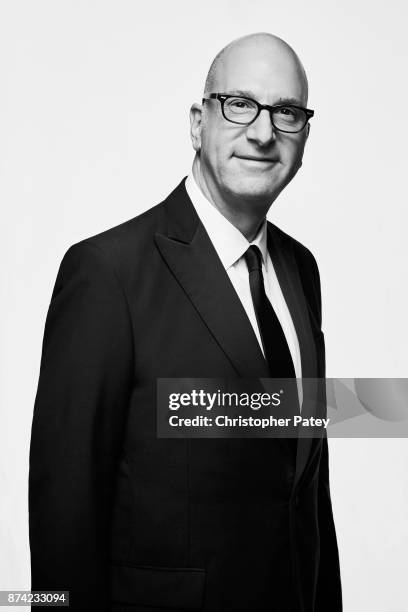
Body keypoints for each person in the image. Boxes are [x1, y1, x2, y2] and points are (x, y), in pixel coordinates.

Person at [29, 32, 342, 611]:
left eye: (287, 112)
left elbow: (304, 490)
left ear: (305, 135)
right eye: (240, 104)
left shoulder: (302, 272)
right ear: (199, 123)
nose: (263, 132)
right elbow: (62, 516)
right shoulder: (106, 274)